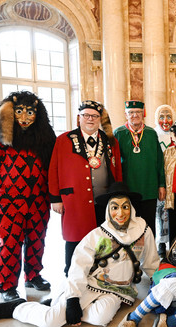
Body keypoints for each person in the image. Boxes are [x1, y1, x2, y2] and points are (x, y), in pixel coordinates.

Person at [0, 182, 159, 327]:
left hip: (117, 291)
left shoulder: (143, 230)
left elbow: (151, 263)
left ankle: (59, 304)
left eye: (125, 207)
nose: (120, 213)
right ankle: (17, 307)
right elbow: (78, 265)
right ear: (108, 210)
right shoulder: (98, 235)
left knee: (101, 319)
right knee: (51, 322)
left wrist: (161, 282)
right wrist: (73, 299)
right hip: (88, 284)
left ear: (131, 208)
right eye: (115, 207)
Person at [0, 91, 56, 301]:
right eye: (19, 112)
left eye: (30, 112)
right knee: (9, 245)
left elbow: (55, 168)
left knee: (37, 241)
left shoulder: (43, 141)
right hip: (9, 203)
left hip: (39, 202)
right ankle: (7, 287)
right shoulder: (0, 140)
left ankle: (33, 276)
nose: (25, 117)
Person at [49, 100, 122, 275]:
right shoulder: (64, 140)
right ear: (79, 118)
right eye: (86, 115)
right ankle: (71, 274)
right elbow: (53, 170)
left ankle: (100, 273)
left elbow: (117, 169)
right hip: (74, 200)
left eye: (95, 116)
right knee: (75, 238)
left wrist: (118, 196)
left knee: (103, 238)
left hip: (104, 199)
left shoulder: (109, 141)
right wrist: (55, 199)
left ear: (99, 119)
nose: (90, 119)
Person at [114, 100, 166, 254]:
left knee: (149, 226)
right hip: (128, 190)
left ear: (143, 114)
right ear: (126, 114)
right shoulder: (119, 133)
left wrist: (161, 185)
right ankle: (129, 259)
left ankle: (150, 257)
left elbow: (159, 161)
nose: (134, 115)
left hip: (149, 187)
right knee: (128, 225)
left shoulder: (151, 133)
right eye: (131, 112)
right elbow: (115, 163)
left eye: (137, 112)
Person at [153, 104, 176, 255]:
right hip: (160, 181)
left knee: (174, 213)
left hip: (175, 180)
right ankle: (161, 245)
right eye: (161, 117)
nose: (165, 120)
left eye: (168, 116)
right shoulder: (153, 135)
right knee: (161, 213)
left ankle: (175, 242)